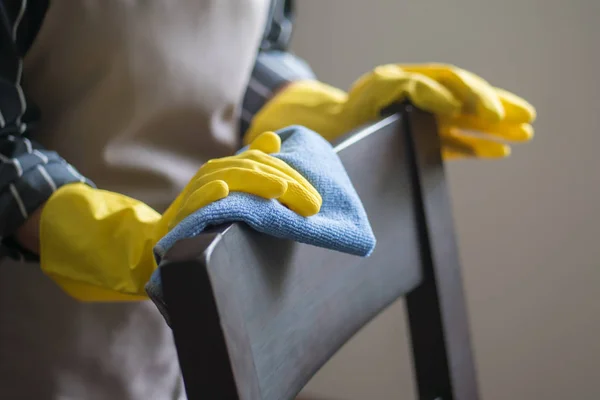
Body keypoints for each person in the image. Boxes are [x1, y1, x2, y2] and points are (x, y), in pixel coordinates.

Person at [0, 0, 536, 398]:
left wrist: (331, 115)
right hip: (39, 343)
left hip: (191, 336)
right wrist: (126, 241)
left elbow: (245, 60)